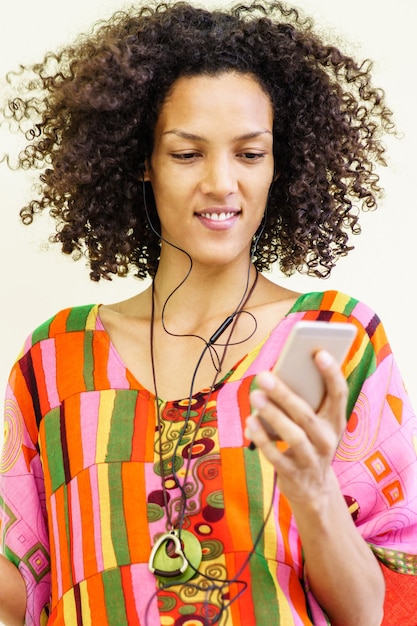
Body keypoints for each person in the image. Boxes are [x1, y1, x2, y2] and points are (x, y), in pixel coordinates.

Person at [0, 1, 416, 624]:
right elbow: (26, 587)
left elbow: (377, 607)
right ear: (142, 161)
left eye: (250, 154)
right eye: (187, 153)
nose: (222, 182)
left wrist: (312, 490)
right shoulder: (56, 359)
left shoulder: (330, 343)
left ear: (282, 163)